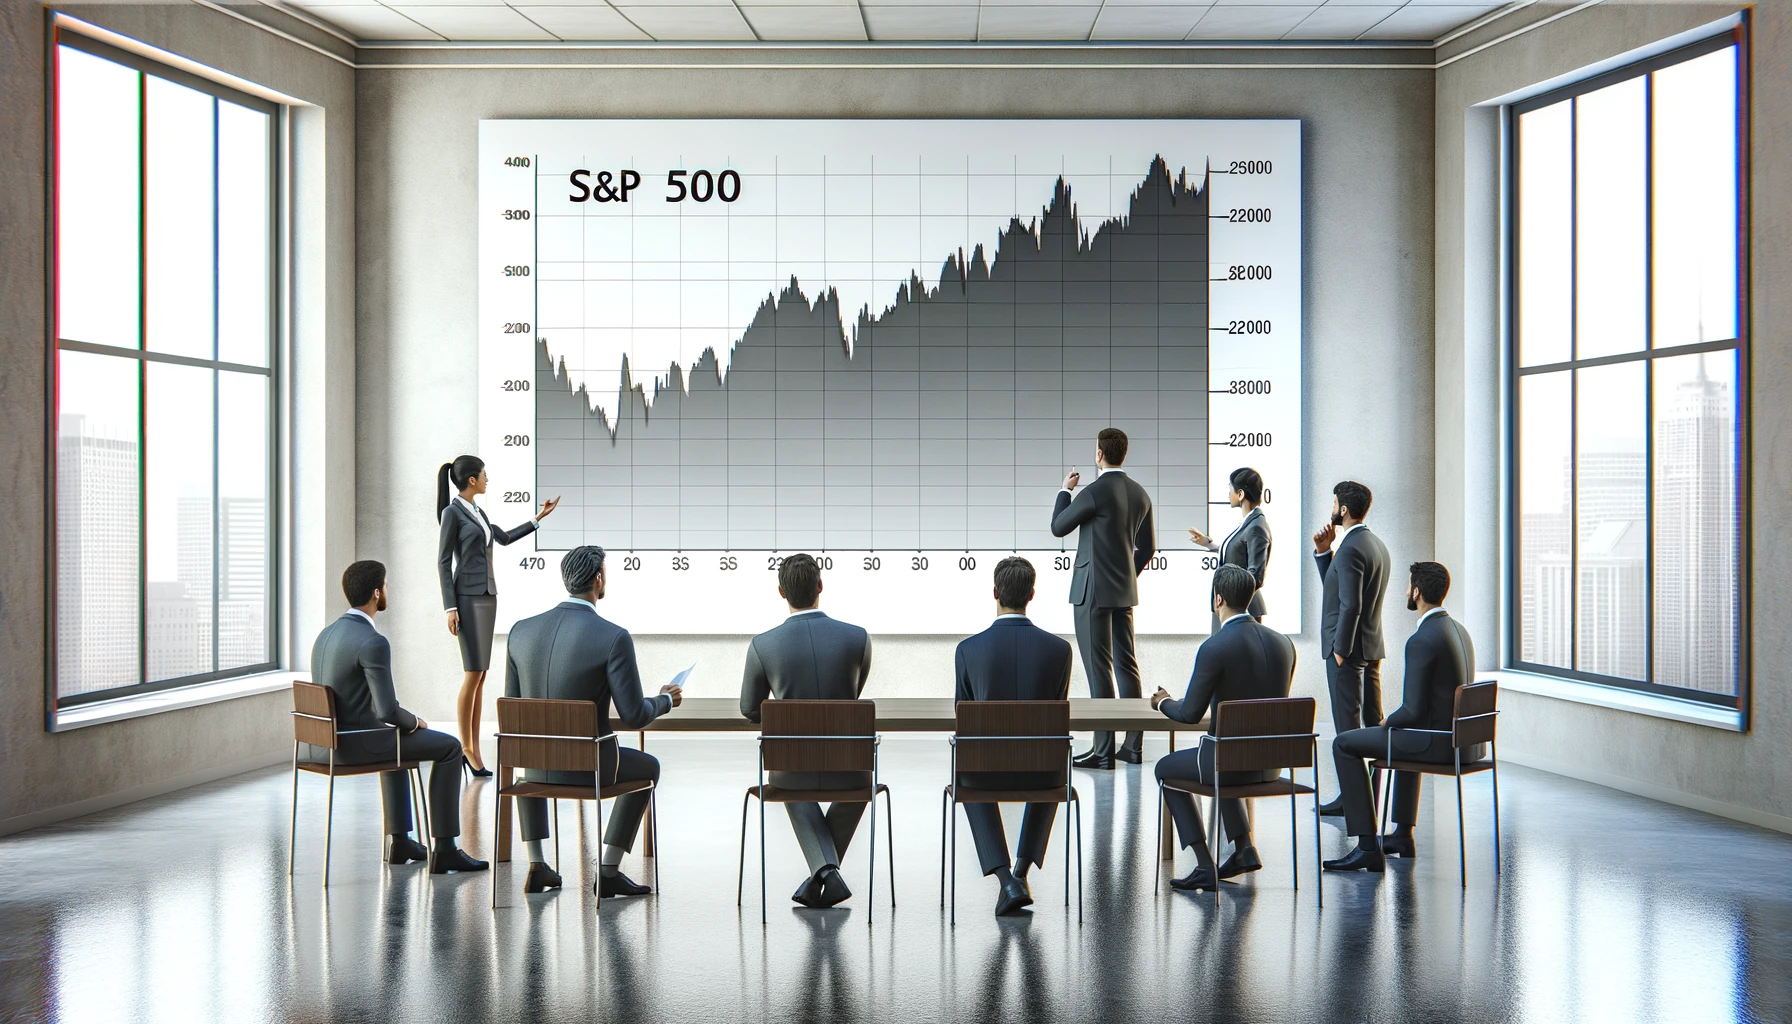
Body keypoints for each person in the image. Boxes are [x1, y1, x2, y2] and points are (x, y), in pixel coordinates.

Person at [503, 546, 682, 896]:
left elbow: (515, 713)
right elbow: (633, 715)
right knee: (649, 768)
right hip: (592, 767)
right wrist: (665, 700)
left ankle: (537, 864)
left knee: (534, 751)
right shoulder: (613, 636)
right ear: (598, 578)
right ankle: (609, 870)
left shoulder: (519, 632)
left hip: (534, 766)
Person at [310, 560, 486, 874]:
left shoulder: (325, 636)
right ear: (376, 593)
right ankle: (445, 848)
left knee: (394, 738)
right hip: (355, 746)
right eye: (387, 586)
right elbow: (387, 710)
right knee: (449, 747)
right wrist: (414, 722)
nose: (387, 590)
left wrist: (401, 724)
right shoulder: (373, 642)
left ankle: (401, 841)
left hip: (322, 745)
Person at [1325, 562, 1479, 873]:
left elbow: (1412, 711)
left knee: (1344, 743)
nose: (1406, 592)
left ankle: (1367, 846)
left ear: (1418, 592)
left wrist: (1385, 722)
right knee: (1407, 733)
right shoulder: (1459, 631)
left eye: (1409, 587)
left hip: (1438, 745)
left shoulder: (1421, 639)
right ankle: (1402, 835)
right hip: (1466, 744)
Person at [1149, 565, 1296, 891]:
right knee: (1226, 755)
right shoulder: (1284, 644)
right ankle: (1243, 848)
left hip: (1228, 764)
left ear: (1218, 599)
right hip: (1271, 765)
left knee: (1165, 769)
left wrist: (1163, 702)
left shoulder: (1215, 646)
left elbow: (1189, 713)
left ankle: (1204, 864)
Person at [740, 554, 874, 910]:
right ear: (820, 586)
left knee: (789, 776)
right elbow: (853, 695)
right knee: (859, 786)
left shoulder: (762, 645)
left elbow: (749, 709)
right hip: (851, 769)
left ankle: (825, 873)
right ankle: (826, 874)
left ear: (781, 591)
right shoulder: (858, 638)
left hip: (792, 771)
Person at [952, 556, 1074, 917]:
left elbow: (964, 718)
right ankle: (1019, 873)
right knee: (1054, 760)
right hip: (1042, 773)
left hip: (985, 774)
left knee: (966, 768)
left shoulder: (968, 650)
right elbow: (1055, 714)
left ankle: (1007, 880)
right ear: (1031, 594)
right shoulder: (1060, 650)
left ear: (995, 592)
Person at [436, 454, 560, 777]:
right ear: (472, 480)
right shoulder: (453, 513)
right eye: (484, 475)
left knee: (481, 675)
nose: (488, 479)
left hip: (487, 596)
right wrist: (450, 607)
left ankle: (474, 747)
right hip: (466, 598)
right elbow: (443, 562)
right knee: (472, 674)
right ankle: (465, 748)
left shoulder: (477, 511)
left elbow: (502, 538)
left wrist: (537, 519)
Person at [1050, 427, 1156, 769]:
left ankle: (1102, 750)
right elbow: (1148, 548)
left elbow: (1058, 527)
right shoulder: (1140, 494)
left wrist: (1065, 491)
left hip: (1091, 592)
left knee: (1099, 669)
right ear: (1123, 454)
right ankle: (1134, 745)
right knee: (1127, 666)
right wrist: (1126, 574)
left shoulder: (1092, 492)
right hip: (1123, 592)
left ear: (1099, 454)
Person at [1311, 479, 1390, 815]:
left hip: (1348, 652)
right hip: (1371, 649)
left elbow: (1350, 605)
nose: (1331, 509)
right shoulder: (1375, 545)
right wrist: (1324, 553)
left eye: (1334, 504)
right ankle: (1361, 799)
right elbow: (1338, 590)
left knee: (1347, 732)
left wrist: (1340, 649)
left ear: (1343, 509)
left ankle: (1353, 803)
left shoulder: (1352, 548)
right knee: (1372, 729)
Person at [1188, 466, 1272, 630]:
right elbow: (1237, 552)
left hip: (1239, 611)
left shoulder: (1256, 527)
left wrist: (1232, 604)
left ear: (1240, 494)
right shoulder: (1249, 522)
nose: (1228, 494)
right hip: (1229, 607)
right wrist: (1208, 543)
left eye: (1230, 489)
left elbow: (1256, 576)